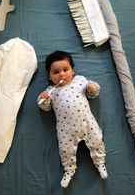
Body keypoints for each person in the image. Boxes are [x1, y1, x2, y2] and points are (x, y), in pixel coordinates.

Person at [37, 51, 107, 188]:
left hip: (87, 123)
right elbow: (45, 108)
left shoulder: (80, 80)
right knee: (65, 149)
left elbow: (93, 94)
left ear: (72, 70)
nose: (62, 74)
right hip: (66, 129)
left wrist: (93, 88)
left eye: (65, 70)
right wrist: (43, 99)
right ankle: (69, 170)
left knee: (97, 140)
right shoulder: (51, 90)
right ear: (49, 76)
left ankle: (100, 162)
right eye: (56, 72)